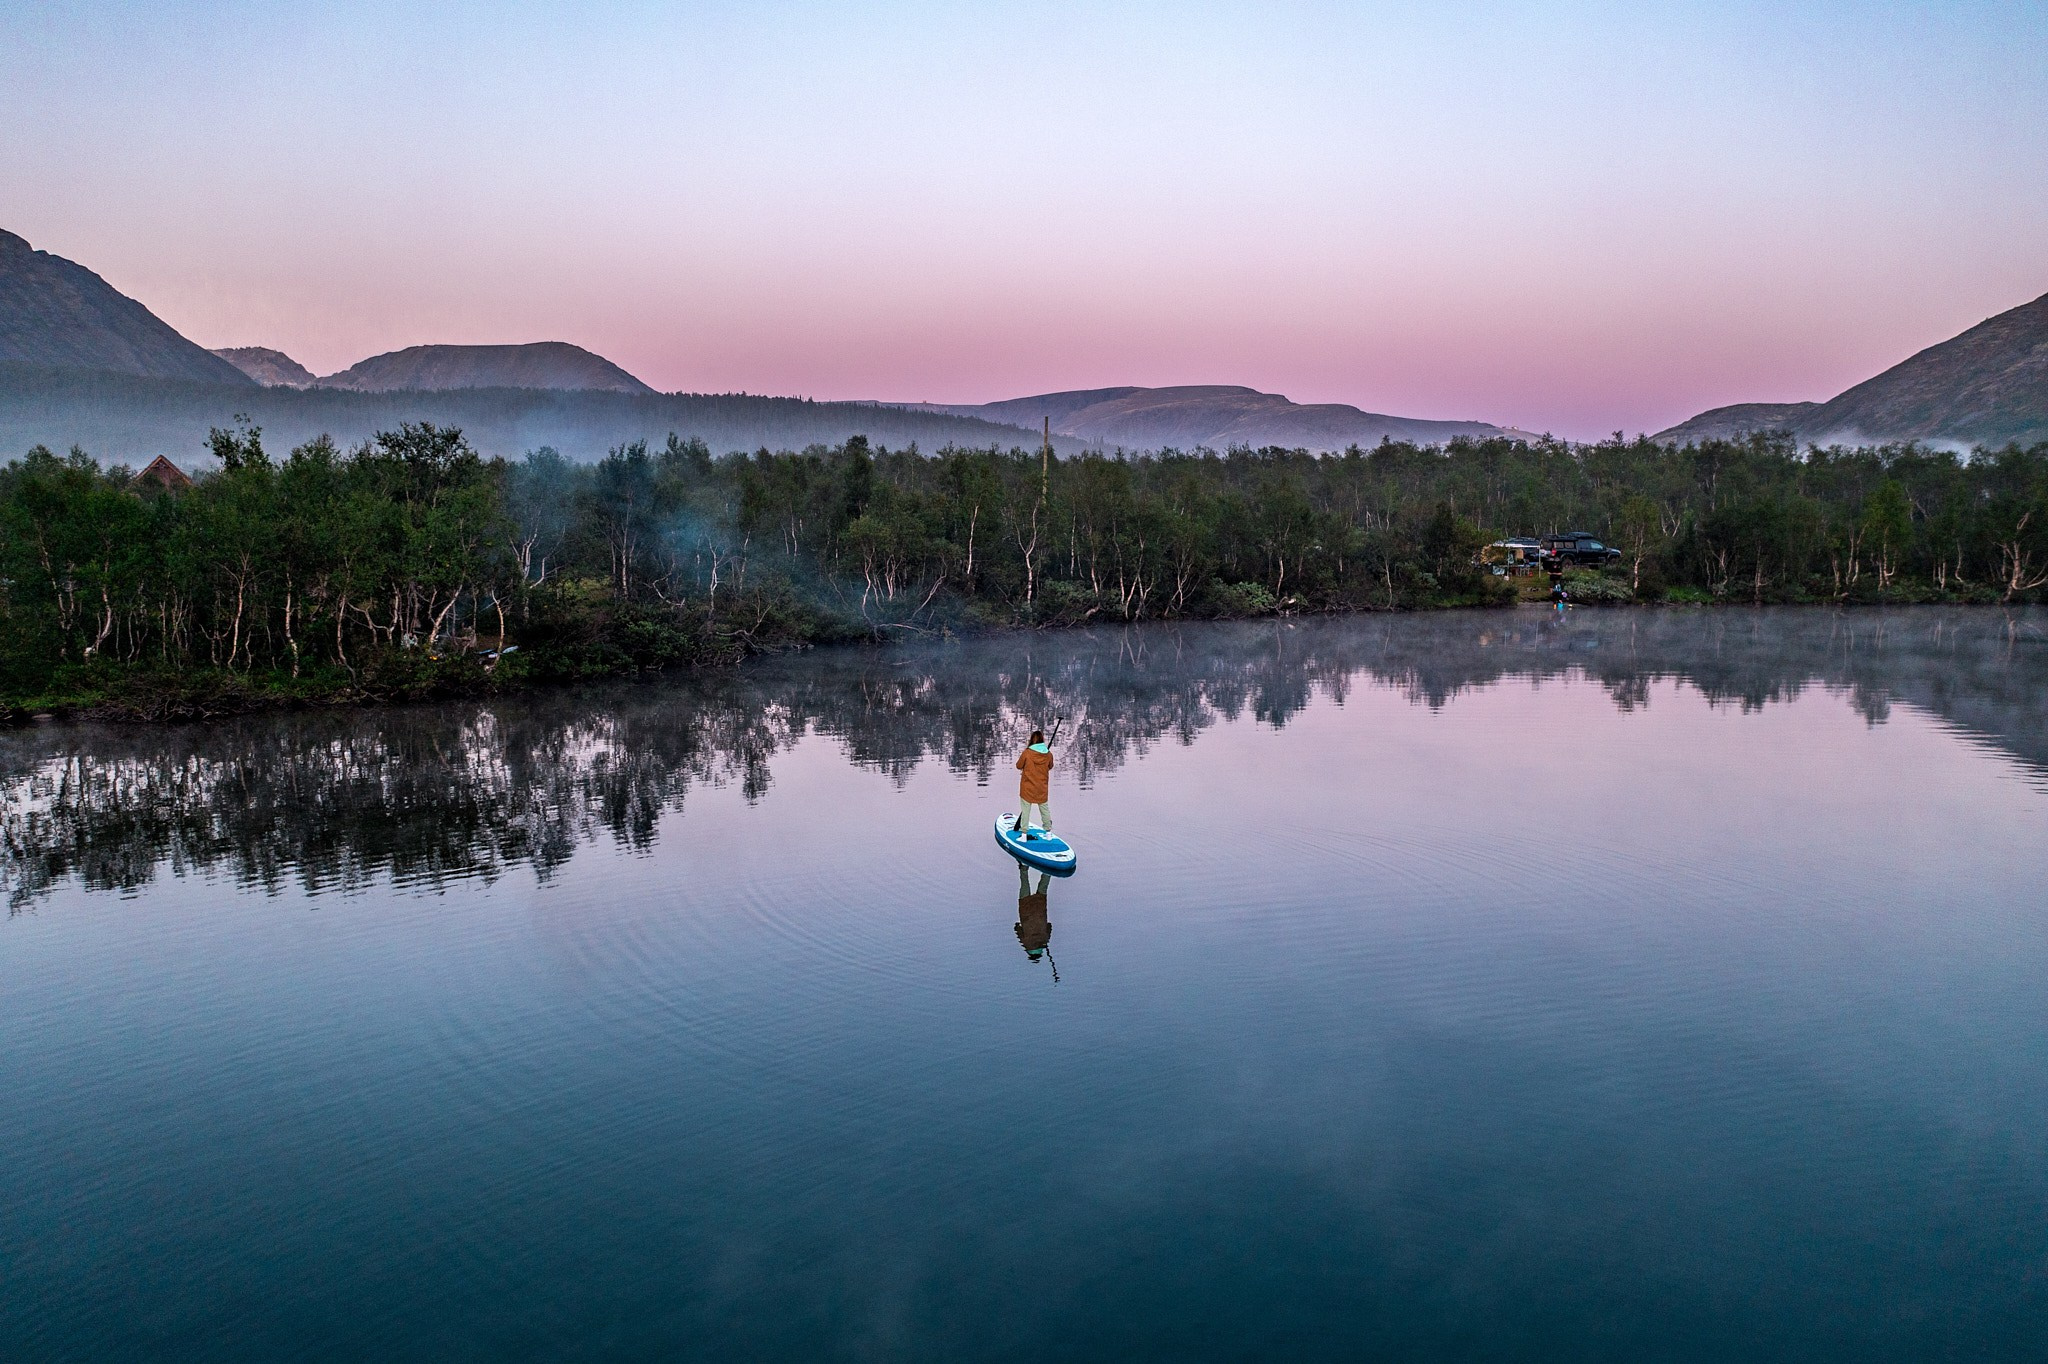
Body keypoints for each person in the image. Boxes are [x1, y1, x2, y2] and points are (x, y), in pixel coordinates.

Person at [1012, 729, 1054, 838]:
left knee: (1025, 811)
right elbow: (1050, 766)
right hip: (1042, 788)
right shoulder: (1048, 754)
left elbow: (1018, 766)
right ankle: (1048, 832)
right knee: (1044, 810)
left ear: (1032, 740)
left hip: (1027, 787)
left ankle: (1024, 834)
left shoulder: (1027, 753)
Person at [1015, 861, 1051, 962]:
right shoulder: (1026, 943)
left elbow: (1049, 926)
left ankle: (1048, 871)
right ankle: (1024, 867)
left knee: (1043, 887)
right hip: (1025, 910)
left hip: (1040, 911)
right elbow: (1018, 930)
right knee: (1024, 884)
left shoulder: (1045, 941)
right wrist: (1017, 926)